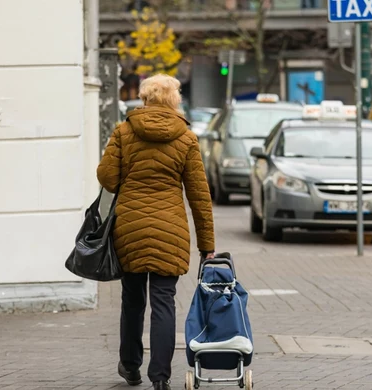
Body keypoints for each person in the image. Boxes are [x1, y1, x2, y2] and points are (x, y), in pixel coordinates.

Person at [97, 74, 216, 390]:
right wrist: (207, 246)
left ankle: (130, 366)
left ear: (145, 98)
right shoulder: (186, 138)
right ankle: (160, 377)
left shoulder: (124, 132)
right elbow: (199, 196)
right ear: (174, 100)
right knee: (164, 301)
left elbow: (107, 179)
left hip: (130, 229)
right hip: (170, 230)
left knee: (133, 299)